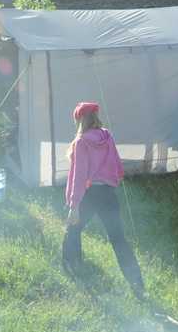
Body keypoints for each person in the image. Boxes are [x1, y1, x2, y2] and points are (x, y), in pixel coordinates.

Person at [61, 101, 145, 298]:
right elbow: (117, 165)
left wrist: (74, 205)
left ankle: (74, 270)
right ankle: (137, 284)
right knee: (118, 239)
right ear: (95, 117)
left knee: (73, 229)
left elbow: (79, 176)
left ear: (80, 120)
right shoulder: (107, 136)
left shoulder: (81, 142)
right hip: (108, 193)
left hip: (90, 194)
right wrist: (112, 182)